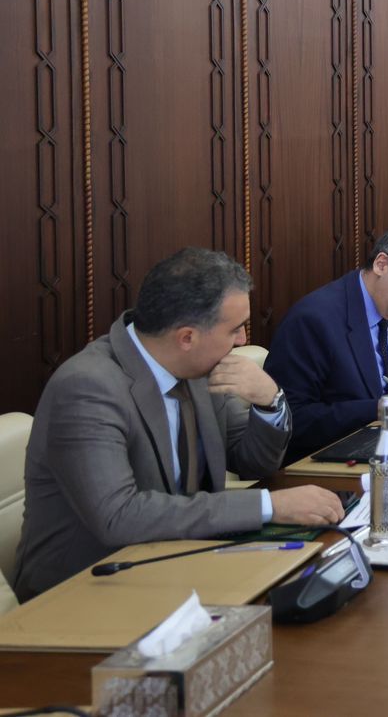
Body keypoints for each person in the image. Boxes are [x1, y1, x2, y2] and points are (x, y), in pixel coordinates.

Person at [14, 249, 346, 601]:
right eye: (235, 329)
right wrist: (269, 506)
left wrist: (269, 401)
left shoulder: (197, 368)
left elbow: (251, 462)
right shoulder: (87, 388)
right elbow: (119, 516)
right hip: (86, 590)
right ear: (187, 337)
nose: (242, 340)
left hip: (184, 562)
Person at [266, 221, 388, 461]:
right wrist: (376, 409)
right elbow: (291, 420)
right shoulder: (313, 320)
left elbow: (384, 380)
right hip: (325, 463)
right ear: (382, 264)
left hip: (384, 447)